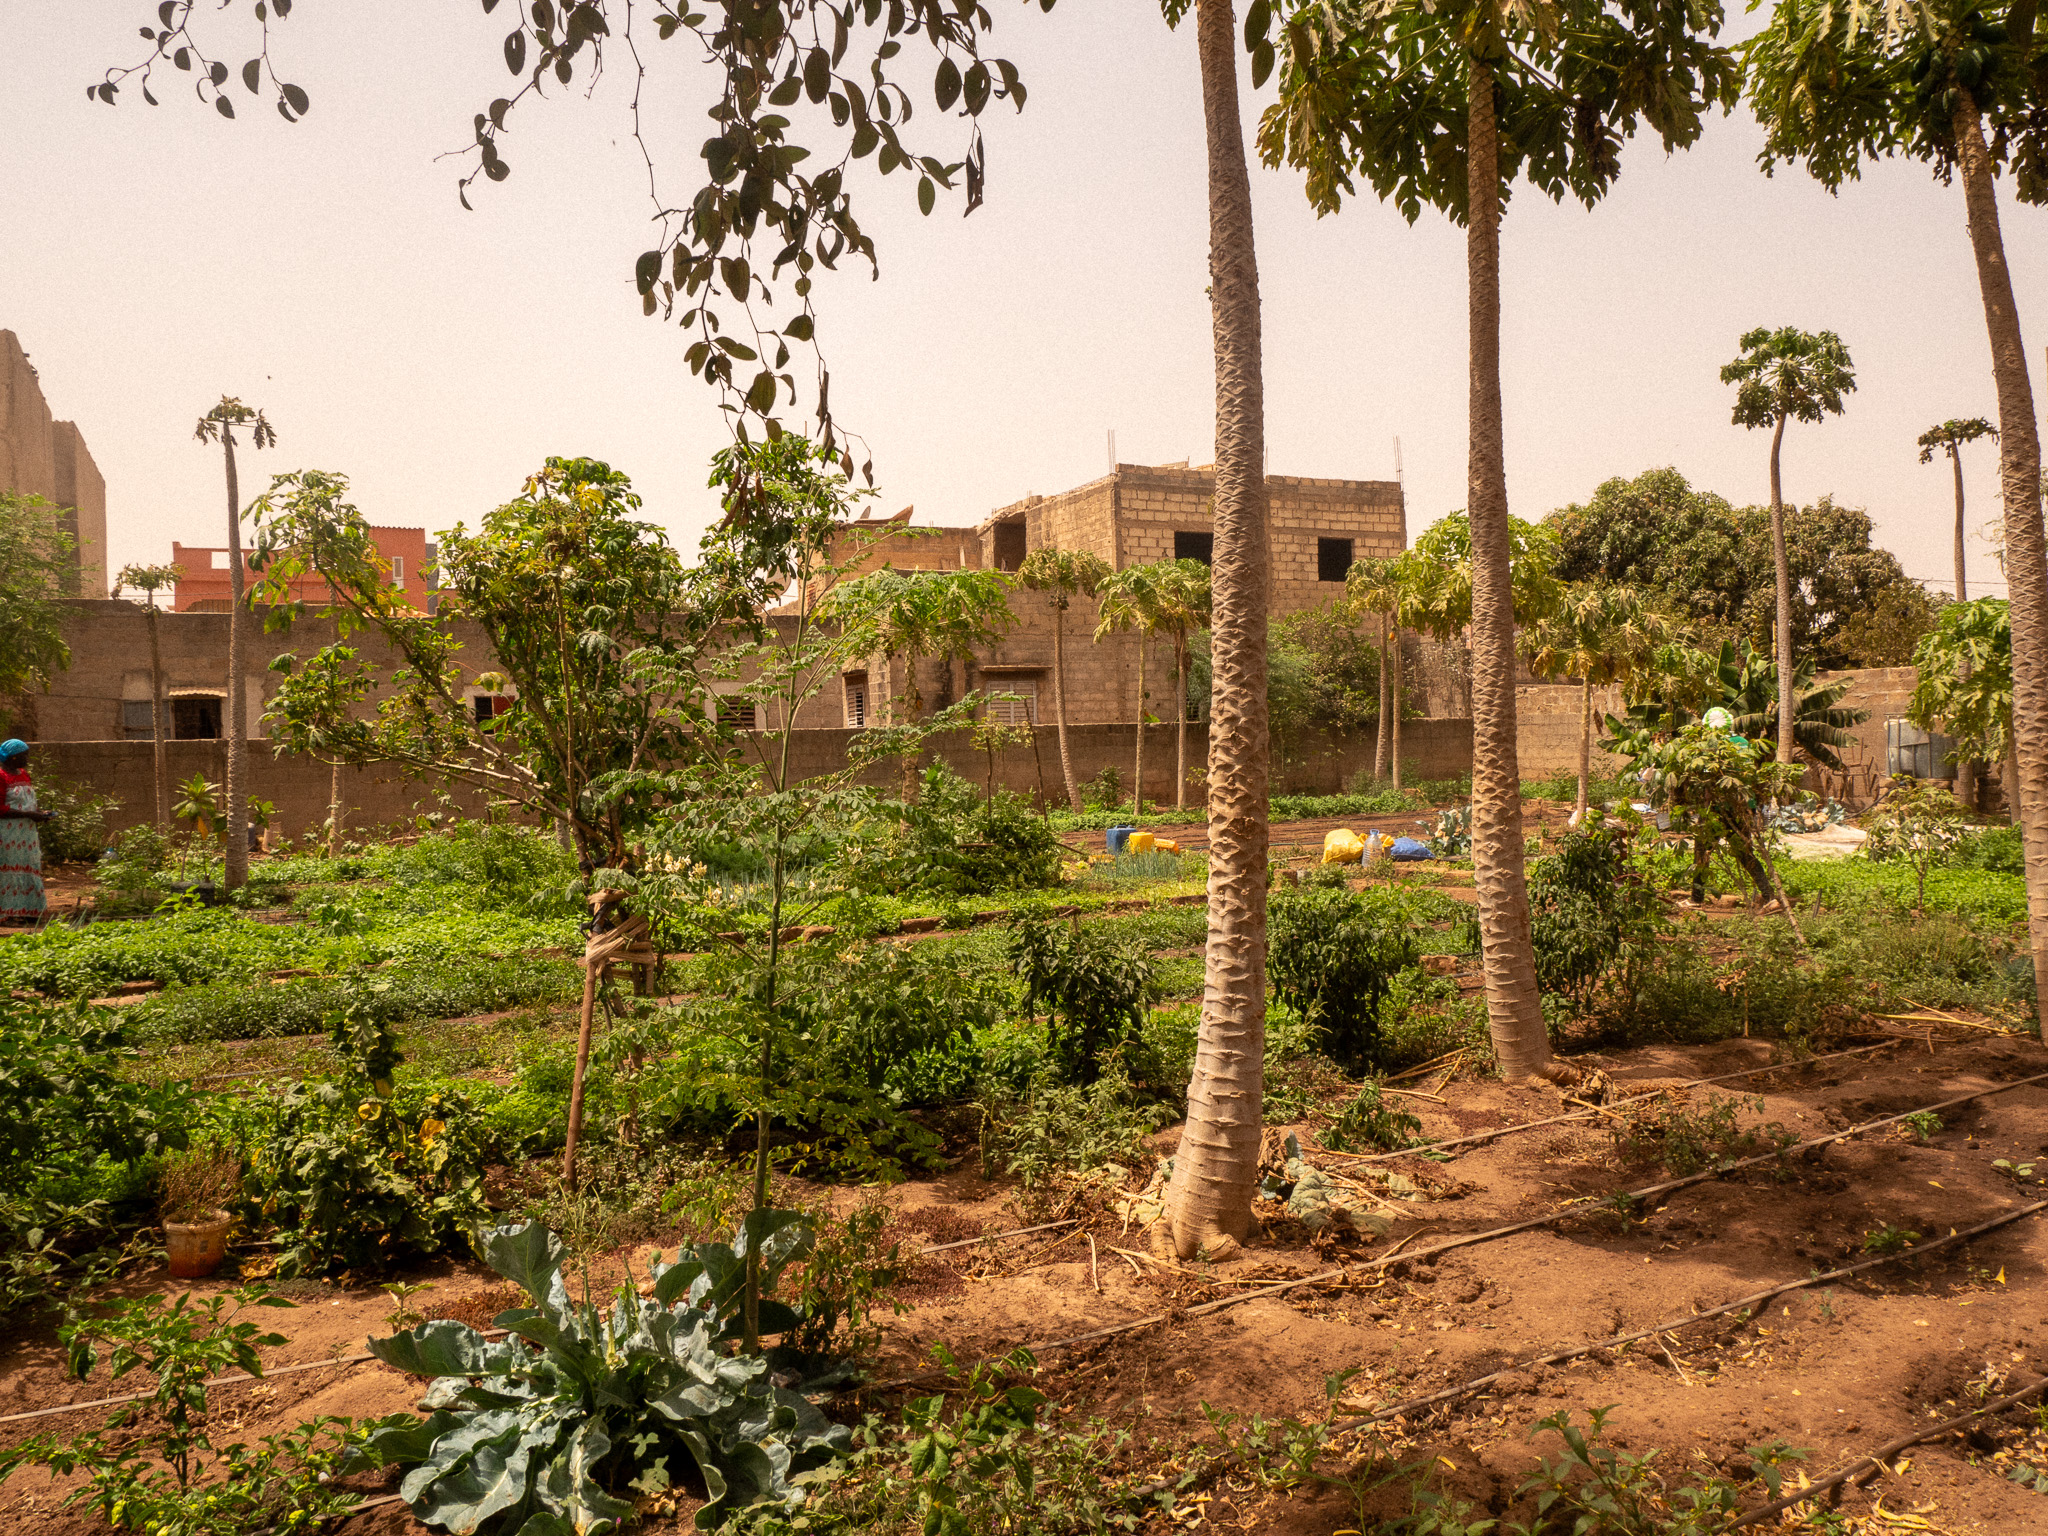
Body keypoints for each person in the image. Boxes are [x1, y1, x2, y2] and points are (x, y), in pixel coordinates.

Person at [0, 738, 53, 925]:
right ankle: (6, 914)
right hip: (7, 833)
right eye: (24, 755)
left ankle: (30, 911)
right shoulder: (1, 776)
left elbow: (28, 802)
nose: (27, 759)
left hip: (27, 833)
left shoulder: (23, 774)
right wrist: (29, 814)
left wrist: (39, 814)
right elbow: (0, 809)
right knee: (7, 869)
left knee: (30, 867)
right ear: (13, 757)